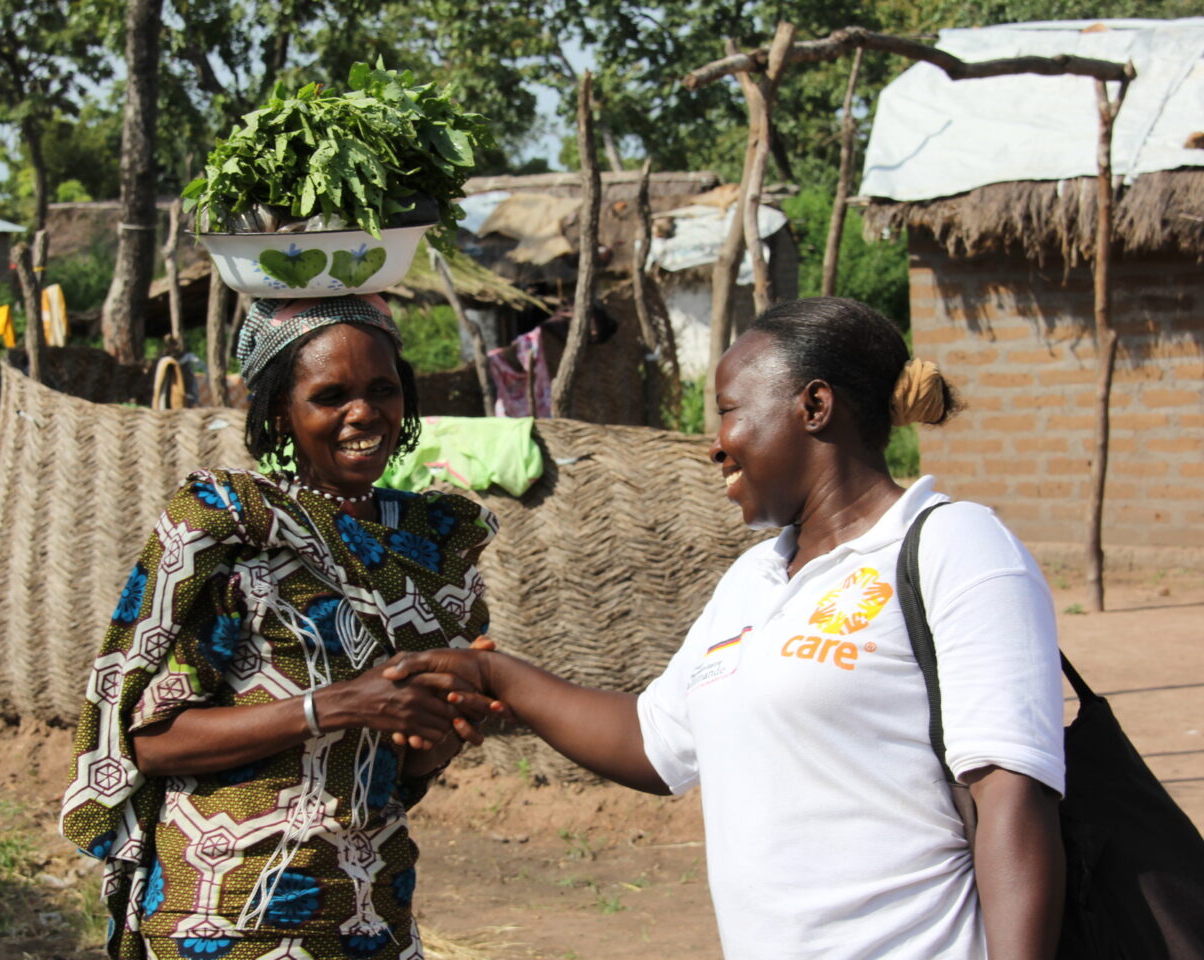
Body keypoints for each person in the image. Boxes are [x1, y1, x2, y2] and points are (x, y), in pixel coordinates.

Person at [385, 297, 1067, 960]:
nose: (716, 446)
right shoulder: (755, 577)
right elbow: (654, 741)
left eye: (731, 412)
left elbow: (1011, 798)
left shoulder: (955, 547)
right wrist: (496, 675)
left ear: (815, 407)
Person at [62, 295, 500, 960]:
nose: (364, 413)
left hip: (368, 903)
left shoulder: (435, 547)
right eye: (331, 395)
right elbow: (152, 741)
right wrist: (338, 704)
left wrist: (448, 726)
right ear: (278, 413)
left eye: (383, 389)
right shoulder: (236, 537)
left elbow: (403, 765)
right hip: (226, 913)